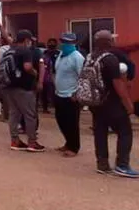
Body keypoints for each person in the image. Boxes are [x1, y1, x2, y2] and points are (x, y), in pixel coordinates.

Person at [89, 30, 138, 177]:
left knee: (100, 132)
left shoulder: (90, 57)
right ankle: (122, 165)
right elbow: (118, 84)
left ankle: (102, 164)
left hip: (95, 102)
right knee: (125, 131)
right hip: (111, 102)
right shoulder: (110, 59)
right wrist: (128, 103)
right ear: (110, 41)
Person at [5, 30, 45, 152]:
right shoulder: (26, 51)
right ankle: (32, 142)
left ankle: (15, 140)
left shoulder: (11, 50)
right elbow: (27, 67)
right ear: (26, 40)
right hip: (24, 88)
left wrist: (1, 27)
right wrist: (35, 73)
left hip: (10, 86)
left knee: (14, 114)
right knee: (30, 115)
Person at [53, 33, 84, 157]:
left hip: (71, 96)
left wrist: (77, 93)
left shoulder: (77, 57)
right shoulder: (61, 55)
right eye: (63, 41)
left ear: (74, 43)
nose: (65, 44)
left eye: (68, 42)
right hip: (59, 94)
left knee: (72, 122)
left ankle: (74, 147)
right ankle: (68, 142)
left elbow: (82, 77)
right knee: (61, 120)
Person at [41, 38, 60, 114]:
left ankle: (56, 106)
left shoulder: (58, 53)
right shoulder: (45, 53)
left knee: (55, 91)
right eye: (50, 43)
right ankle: (45, 107)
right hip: (46, 73)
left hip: (56, 73)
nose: (51, 44)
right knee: (45, 91)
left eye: (53, 43)